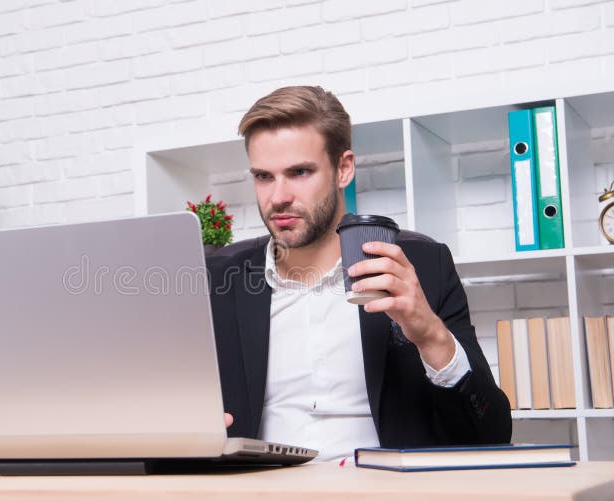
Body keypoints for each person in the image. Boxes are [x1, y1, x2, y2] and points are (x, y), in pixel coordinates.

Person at [207, 86, 512, 462]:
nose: (278, 196)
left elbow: (491, 434)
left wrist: (431, 334)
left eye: (299, 172)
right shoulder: (220, 278)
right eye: (264, 177)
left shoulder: (420, 264)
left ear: (343, 169)